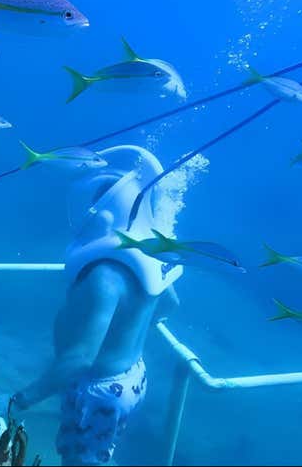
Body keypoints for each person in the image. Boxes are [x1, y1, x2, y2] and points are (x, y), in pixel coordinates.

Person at [10, 145, 183, 466]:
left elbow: (80, 359)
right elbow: (169, 303)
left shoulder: (104, 275)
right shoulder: (147, 256)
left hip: (100, 389)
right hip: (131, 376)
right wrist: (129, 327)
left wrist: (21, 400)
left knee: (82, 460)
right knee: (99, 453)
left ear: (104, 214)